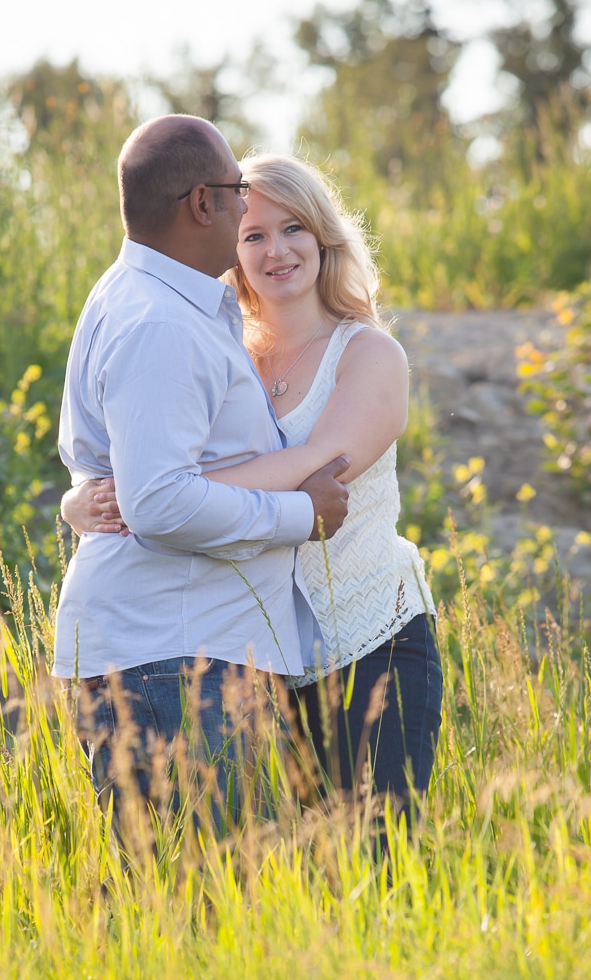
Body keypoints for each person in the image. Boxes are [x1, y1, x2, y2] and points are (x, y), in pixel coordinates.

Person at [65, 154, 442, 832]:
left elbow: (316, 467)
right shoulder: (221, 344)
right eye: (256, 234)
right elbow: (140, 446)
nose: (277, 250)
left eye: (294, 228)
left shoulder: (369, 354)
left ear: (324, 235)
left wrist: (161, 490)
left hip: (367, 638)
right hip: (259, 655)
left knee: (379, 857)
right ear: (230, 245)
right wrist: (85, 499)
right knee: (295, 872)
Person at [51, 119, 349, 812]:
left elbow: (120, 473)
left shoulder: (156, 302)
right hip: (173, 658)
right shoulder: (160, 322)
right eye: (239, 191)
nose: (247, 206)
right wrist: (301, 514)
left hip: (185, 650)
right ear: (202, 204)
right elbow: (158, 503)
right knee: (195, 897)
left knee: (208, 898)